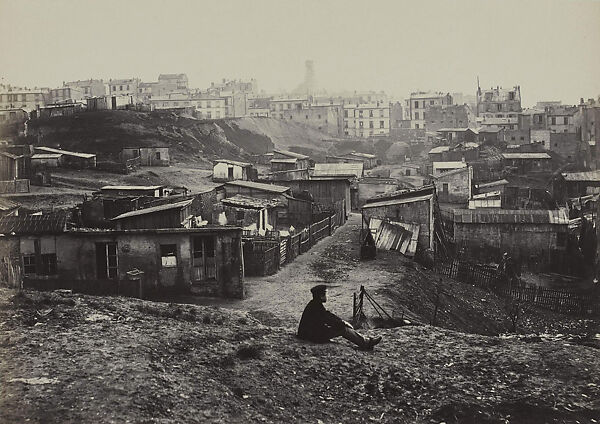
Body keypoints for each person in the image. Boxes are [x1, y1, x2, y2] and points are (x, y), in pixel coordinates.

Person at [297, 284, 382, 350]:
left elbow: (328, 315)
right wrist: (343, 324)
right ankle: (366, 343)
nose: (327, 296)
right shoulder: (316, 307)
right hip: (312, 336)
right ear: (320, 296)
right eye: (325, 294)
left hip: (310, 334)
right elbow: (329, 320)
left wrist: (343, 321)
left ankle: (366, 341)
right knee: (343, 329)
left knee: (341, 326)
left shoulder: (314, 304)